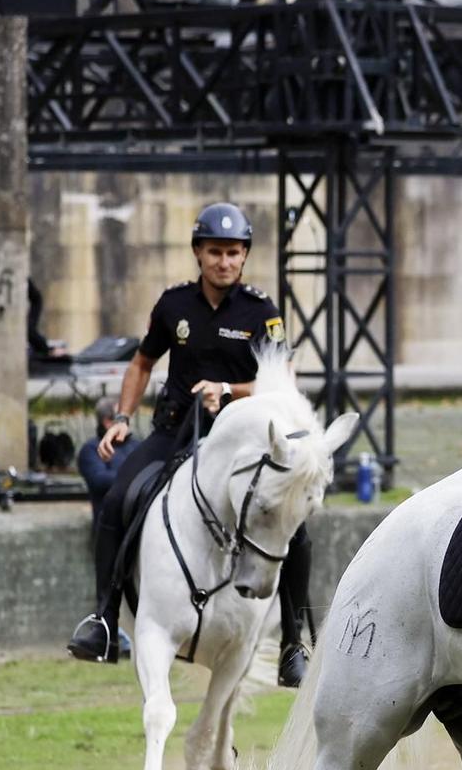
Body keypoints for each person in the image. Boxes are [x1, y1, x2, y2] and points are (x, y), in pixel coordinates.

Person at [66, 203, 316, 686]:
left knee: (295, 525)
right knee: (119, 498)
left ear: (244, 257)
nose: (224, 261)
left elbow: (283, 380)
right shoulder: (173, 305)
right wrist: (121, 418)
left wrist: (230, 391)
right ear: (199, 253)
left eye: (234, 253)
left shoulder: (262, 312)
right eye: (215, 252)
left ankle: (293, 642)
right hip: (175, 429)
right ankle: (102, 618)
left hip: (243, 441)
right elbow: (141, 363)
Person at [77, 398, 132, 518]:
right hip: (109, 524)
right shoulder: (91, 449)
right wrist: (135, 475)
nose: (127, 422)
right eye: (121, 418)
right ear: (107, 422)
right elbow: (100, 480)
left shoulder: (136, 444)